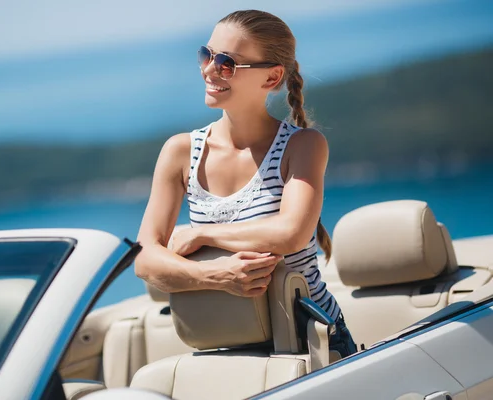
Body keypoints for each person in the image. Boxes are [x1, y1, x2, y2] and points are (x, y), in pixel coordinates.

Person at [135, 9, 357, 358]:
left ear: (271, 78)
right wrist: (213, 276)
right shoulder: (180, 152)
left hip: (310, 345)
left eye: (227, 63)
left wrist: (203, 235)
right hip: (219, 350)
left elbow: (292, 234)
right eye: (206, 55)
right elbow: (144, 258)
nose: (209, 69)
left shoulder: (303, 146)